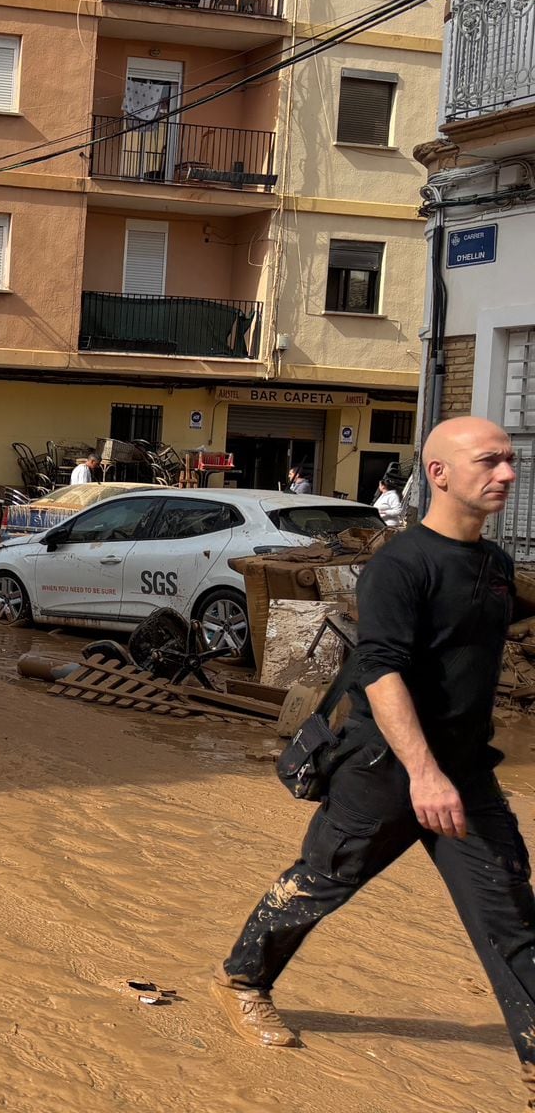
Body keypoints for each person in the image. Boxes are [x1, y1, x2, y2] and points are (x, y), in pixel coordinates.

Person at [212, 416, 535, 1103]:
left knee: (510, 912)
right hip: (384, 768)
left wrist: (450, 771)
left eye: (510, 460)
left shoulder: (498, 566)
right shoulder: (400, 565)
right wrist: (422, 774)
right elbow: (381, 671)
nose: (507, 473)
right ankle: (244, 981)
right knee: (320, 883)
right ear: (440, 473)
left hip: (467, 774)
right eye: (490, 461)